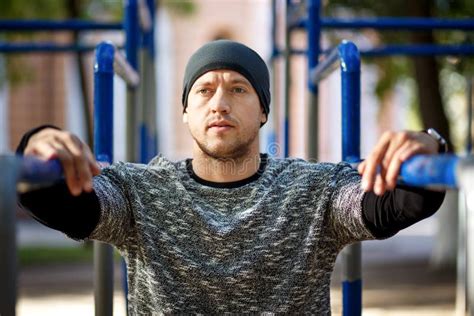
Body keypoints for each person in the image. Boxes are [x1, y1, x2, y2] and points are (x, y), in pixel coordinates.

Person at [17, 40, 446, 314]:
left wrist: (429, 147)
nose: (219, 102)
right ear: (186, 112)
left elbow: (392, 204)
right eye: (204, 90)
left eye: (239, 89)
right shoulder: (140, 190)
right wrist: (37, 145)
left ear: (262, 111)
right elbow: (65, 204)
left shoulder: (314, 191)